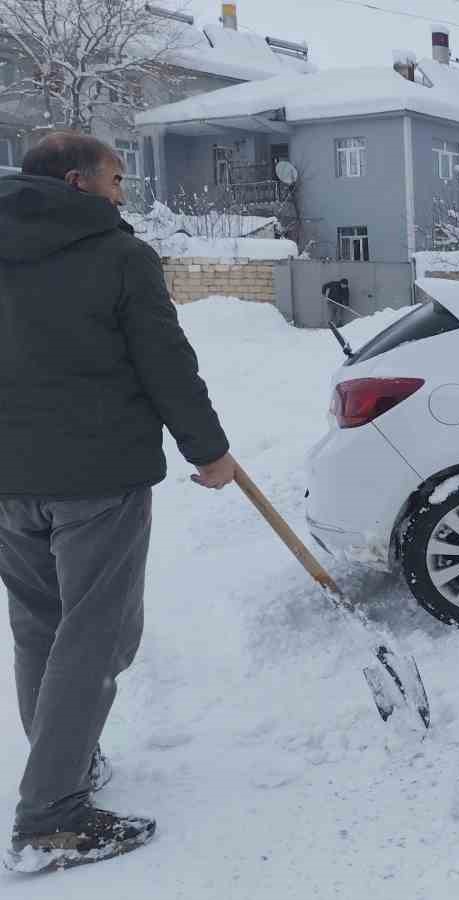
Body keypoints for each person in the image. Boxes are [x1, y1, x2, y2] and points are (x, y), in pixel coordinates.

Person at [0, 133, 237, 871]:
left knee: (44, 628)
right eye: (114, 179)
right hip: (97, 480)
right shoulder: (118, 255)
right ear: (77, 182)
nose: (121, 193)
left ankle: (64, 763)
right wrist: (210, 451)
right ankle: (50, 817)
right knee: (97, 638)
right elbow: (165, 361)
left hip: (10, 481)